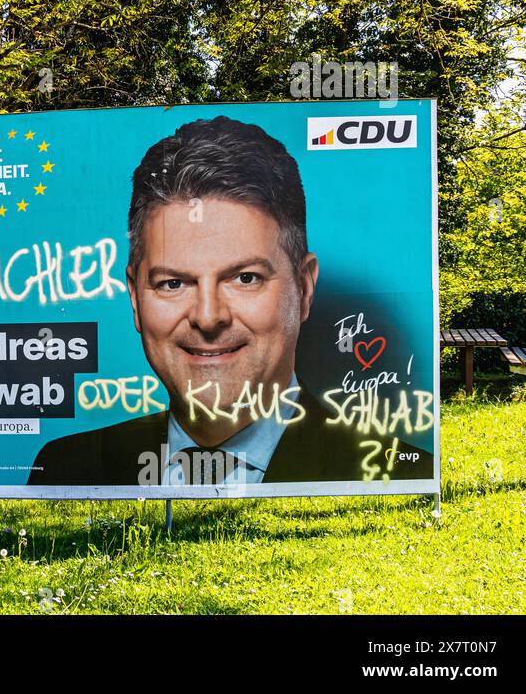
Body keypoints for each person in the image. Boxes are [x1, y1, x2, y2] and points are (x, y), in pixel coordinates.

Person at [29, 116, 432, 486]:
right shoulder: (64, 468)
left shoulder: (399, 475)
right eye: (173, 283)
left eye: (245, 278)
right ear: (134, 296)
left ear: (305, 289)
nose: (208, 317)